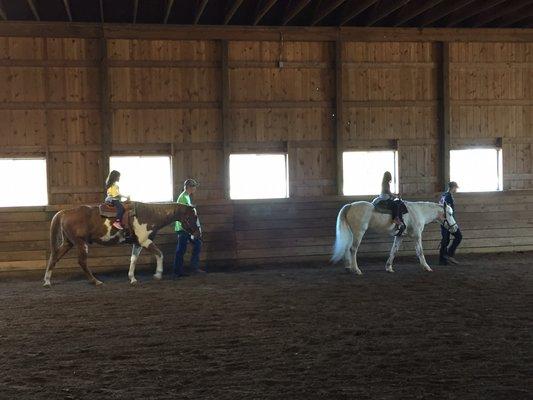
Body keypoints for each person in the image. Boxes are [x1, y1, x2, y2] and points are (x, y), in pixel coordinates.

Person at [172, 179, 204, 278]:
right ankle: (179, 271)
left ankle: (190, 268)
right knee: (182, 249)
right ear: (190, 187)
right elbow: (186, 213)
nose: (195, 188)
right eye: (194, 186)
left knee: (194, 245)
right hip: (184, 227)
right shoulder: (183, 198)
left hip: (186, 227)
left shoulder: (186, 196)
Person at [439, 181, 462, 265]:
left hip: (444, 221)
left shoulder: (444, 195)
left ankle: (443, 259)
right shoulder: (448, 196)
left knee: (445, 240)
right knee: (458, 236)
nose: (456, 190)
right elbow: (447, 210)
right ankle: (449, 255)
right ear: (453, 187)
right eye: (456, 188)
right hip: (448, 221)